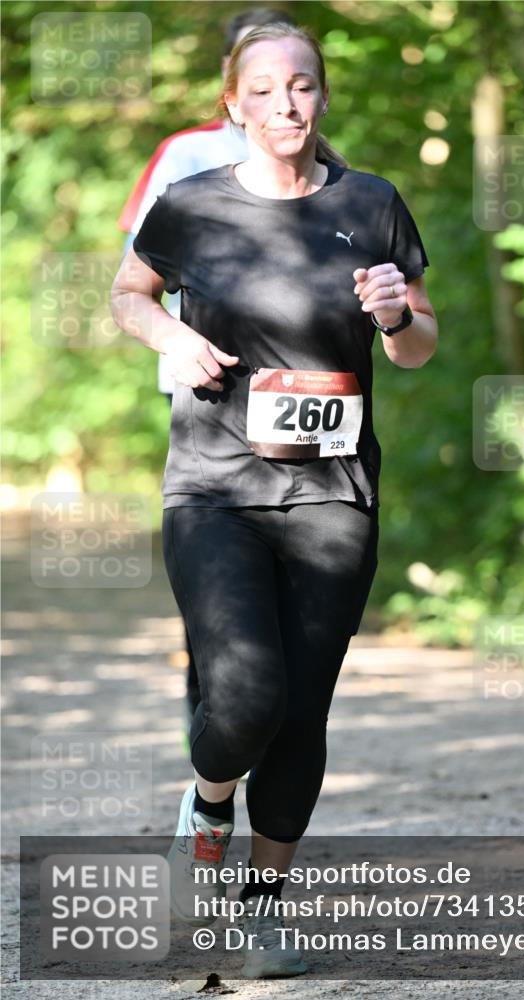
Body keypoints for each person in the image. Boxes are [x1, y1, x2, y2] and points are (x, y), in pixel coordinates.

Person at [110, 21, 437, 979]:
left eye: (300, 87)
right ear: (234, 105)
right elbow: (130, 294)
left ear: (320, 100)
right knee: (245, 694)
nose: (284, 104)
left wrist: (391, 315)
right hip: (214, 486)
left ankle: (257, 912)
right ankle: (207, 803)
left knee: (303, 712)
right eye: (263, 89)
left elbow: (418, 344)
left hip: (334, 495)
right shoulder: (191, 203)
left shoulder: (371, 203)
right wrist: (169, 339)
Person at [118, 7, 295, 734]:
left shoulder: (316, 151)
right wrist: (174, 341)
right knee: (220, 555)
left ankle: (271, 709)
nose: (281, 97)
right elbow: (135, 274)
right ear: (229, 80)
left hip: (299, 388)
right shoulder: (185, 154)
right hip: (209, 386)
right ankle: (215, 711)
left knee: (290, 552)